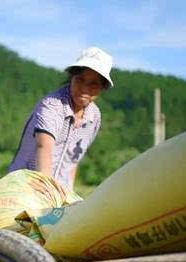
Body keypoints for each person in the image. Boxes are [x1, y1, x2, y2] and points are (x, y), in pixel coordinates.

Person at [8, 46, 114, 190]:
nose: (84, 88)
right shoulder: (52, 105)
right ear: (71, 78)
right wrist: (45, 192)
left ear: (102, 87)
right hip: (25, 186)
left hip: (60, 192)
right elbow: (43, 146)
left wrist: (68, 192)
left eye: (93, 83)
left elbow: (74, 159)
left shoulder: (94, 117)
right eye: (80, 79)